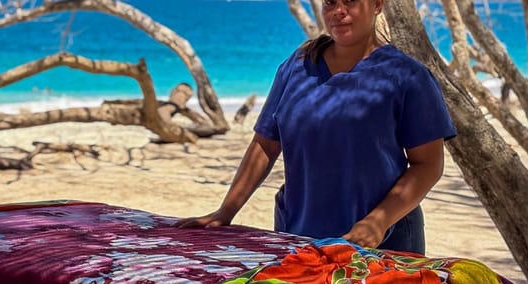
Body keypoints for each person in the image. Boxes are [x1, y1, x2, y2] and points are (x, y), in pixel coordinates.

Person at [174, 0, 456, 255]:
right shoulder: (297, 68)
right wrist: (226, 210)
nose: (338, 11)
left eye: (350, 1)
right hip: (298, 237)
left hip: (383, 244)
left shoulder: (408, 76)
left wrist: (377, 221)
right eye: (330, 2)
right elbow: (265, 145)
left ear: (378, 4)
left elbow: (427, 165)